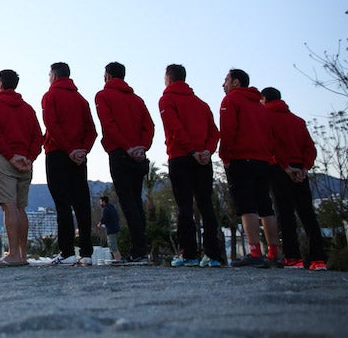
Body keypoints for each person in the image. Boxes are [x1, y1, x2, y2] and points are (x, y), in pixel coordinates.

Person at [160, 64, 224, 268]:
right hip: (203, 159)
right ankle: (213, 254)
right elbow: (214, 132)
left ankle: (188, 253)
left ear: (169, 79)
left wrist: (191, 151)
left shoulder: (167, 100)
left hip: (181, 157)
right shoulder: (201, 104)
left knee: (184, 205)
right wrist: (207, 151)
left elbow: (174, 127)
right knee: (206, 204)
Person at [95, 61, 155, 264]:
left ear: (108, 76)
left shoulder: (103, 96)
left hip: (120, 154)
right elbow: (149, 125)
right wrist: (142, 147)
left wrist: (127, 147)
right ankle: (141, 248)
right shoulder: (137, 100)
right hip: (138, 156)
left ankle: (138, 250)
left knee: (128, 203)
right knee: (136, 201)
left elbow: (108, 124)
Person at [262, 87, 327, 271]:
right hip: (300, 170)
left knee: (285, 213)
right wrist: (305, 167)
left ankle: (293, 257)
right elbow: (310, 147)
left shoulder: (266, 118)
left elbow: (271, 145)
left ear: (264, 99)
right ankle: (319, 259)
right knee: (308, 214)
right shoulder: (297, 120)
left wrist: (285, 167)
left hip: (279, 169)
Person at [220, 68, 280, 267]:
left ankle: (255, 252)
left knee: (247, 206)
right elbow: (270, 135)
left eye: (226, 80)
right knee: (266, 206)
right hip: (263, 160)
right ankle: (273, 253)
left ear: (236, 82)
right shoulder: (260, 106)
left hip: (241, 159)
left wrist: (225, 156)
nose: (223, 84)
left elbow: (228, 130)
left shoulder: (231, 100)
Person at [0, 69, 43, 267]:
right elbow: (38, 136)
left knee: (9, 206)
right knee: (20, 207)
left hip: (4, 159)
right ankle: (22, 255)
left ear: (0, 83)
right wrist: (29, 157)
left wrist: (11, 156)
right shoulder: (28, 109)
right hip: (25, 161)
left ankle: (13, 255)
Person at [41, 62, 98, 266]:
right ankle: (87, 253)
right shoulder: (81, 100)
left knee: (62, 204)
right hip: (79, 157)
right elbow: (92, 130)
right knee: (82, 204)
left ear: (54, 76)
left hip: (58, 154)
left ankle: (66, 252)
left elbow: (51, 124)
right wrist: (83, 149)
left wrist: (68, 149)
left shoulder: (50, 96)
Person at [97, 196, 122, 263]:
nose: (100, 203)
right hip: (116, 228)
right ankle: (118, 259)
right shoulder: (112, 207)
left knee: (112, 245)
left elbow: (104, 218)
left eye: (100, 201)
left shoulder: (106, 209)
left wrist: (100, 224)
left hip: (111, 230)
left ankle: (118, 260)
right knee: (114, 245)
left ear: (104, 202)